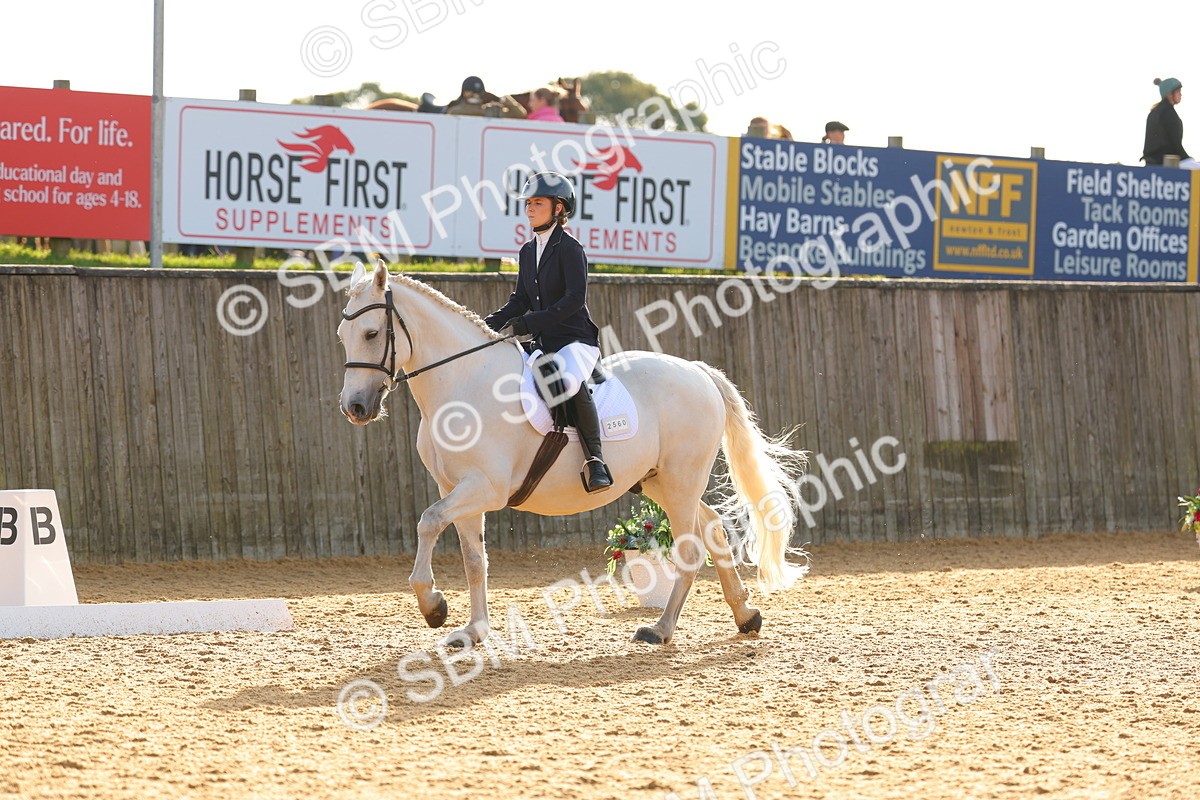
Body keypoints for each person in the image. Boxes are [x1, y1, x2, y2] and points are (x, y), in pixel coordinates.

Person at [484, 172, 613, 493]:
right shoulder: (528, 251)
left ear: (558, 209)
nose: (529, 209)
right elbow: (520, 299)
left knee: (567, 379)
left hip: (574, 340)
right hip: (543, 343)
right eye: (528, 203)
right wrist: (491, 321)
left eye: (537, 203)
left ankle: (596, 460)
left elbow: (574, 299)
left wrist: (531, 323)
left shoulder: (570, 249)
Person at [1142, 77, 1199, 168]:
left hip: (1152, 162)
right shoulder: (1168, 113)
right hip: (1164, 162)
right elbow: (1175, 144)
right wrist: (1187, 159)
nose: (1181, 94)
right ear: (1170, 94)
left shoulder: (1156, 111)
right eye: (1178, 91)